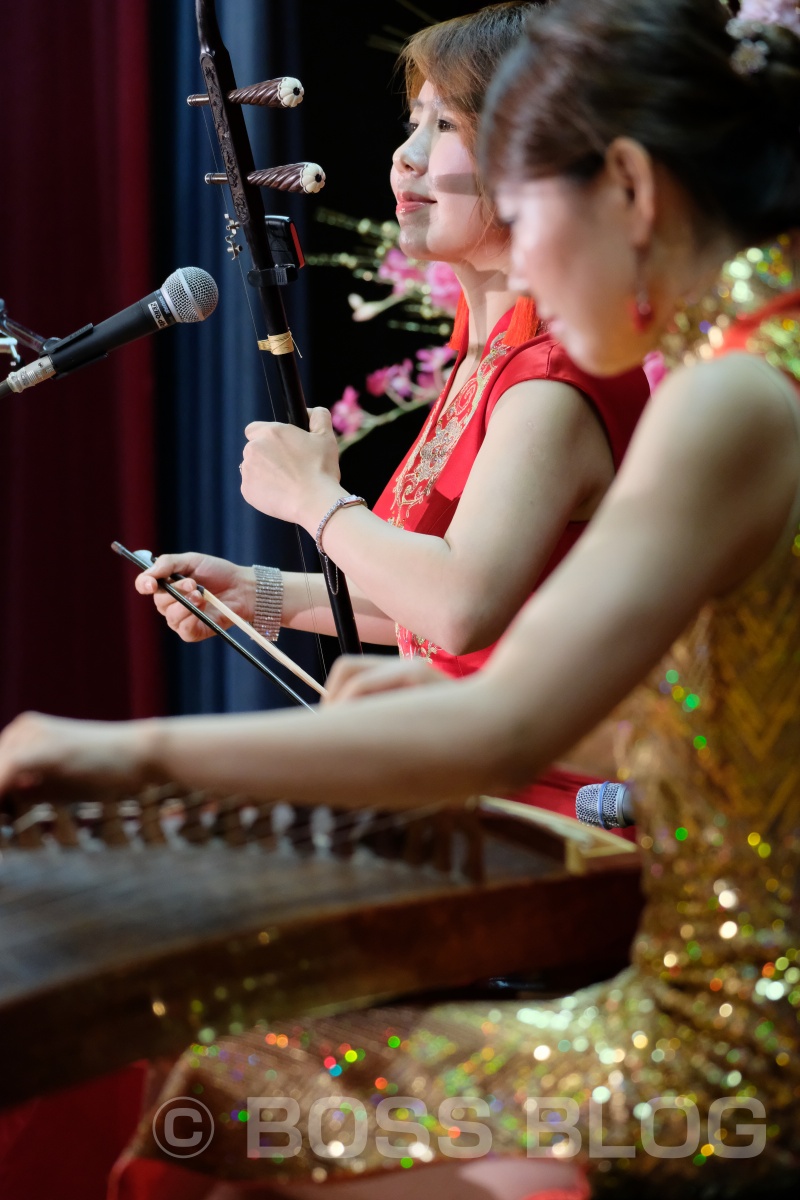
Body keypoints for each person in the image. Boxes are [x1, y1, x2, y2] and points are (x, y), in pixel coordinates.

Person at [2, 0, 799, 1196]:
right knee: (221, 1097)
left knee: (222, 1104)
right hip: (702, 988)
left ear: (629, 188)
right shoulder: (751, 357)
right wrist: (327, 626)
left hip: (722, 1047)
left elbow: (502, 715)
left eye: (525, 216)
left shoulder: (728, 392)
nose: (519, 263)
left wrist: (119, 758)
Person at [141, 2, 648, 815]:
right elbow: (430, 600)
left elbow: (461, 606)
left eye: (442, 127)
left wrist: (316, 500)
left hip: (539, 823)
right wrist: (260, 594)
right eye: (412, 124)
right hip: (456, 794)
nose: (403, 159)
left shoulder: (554, 377)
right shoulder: (484, 361)